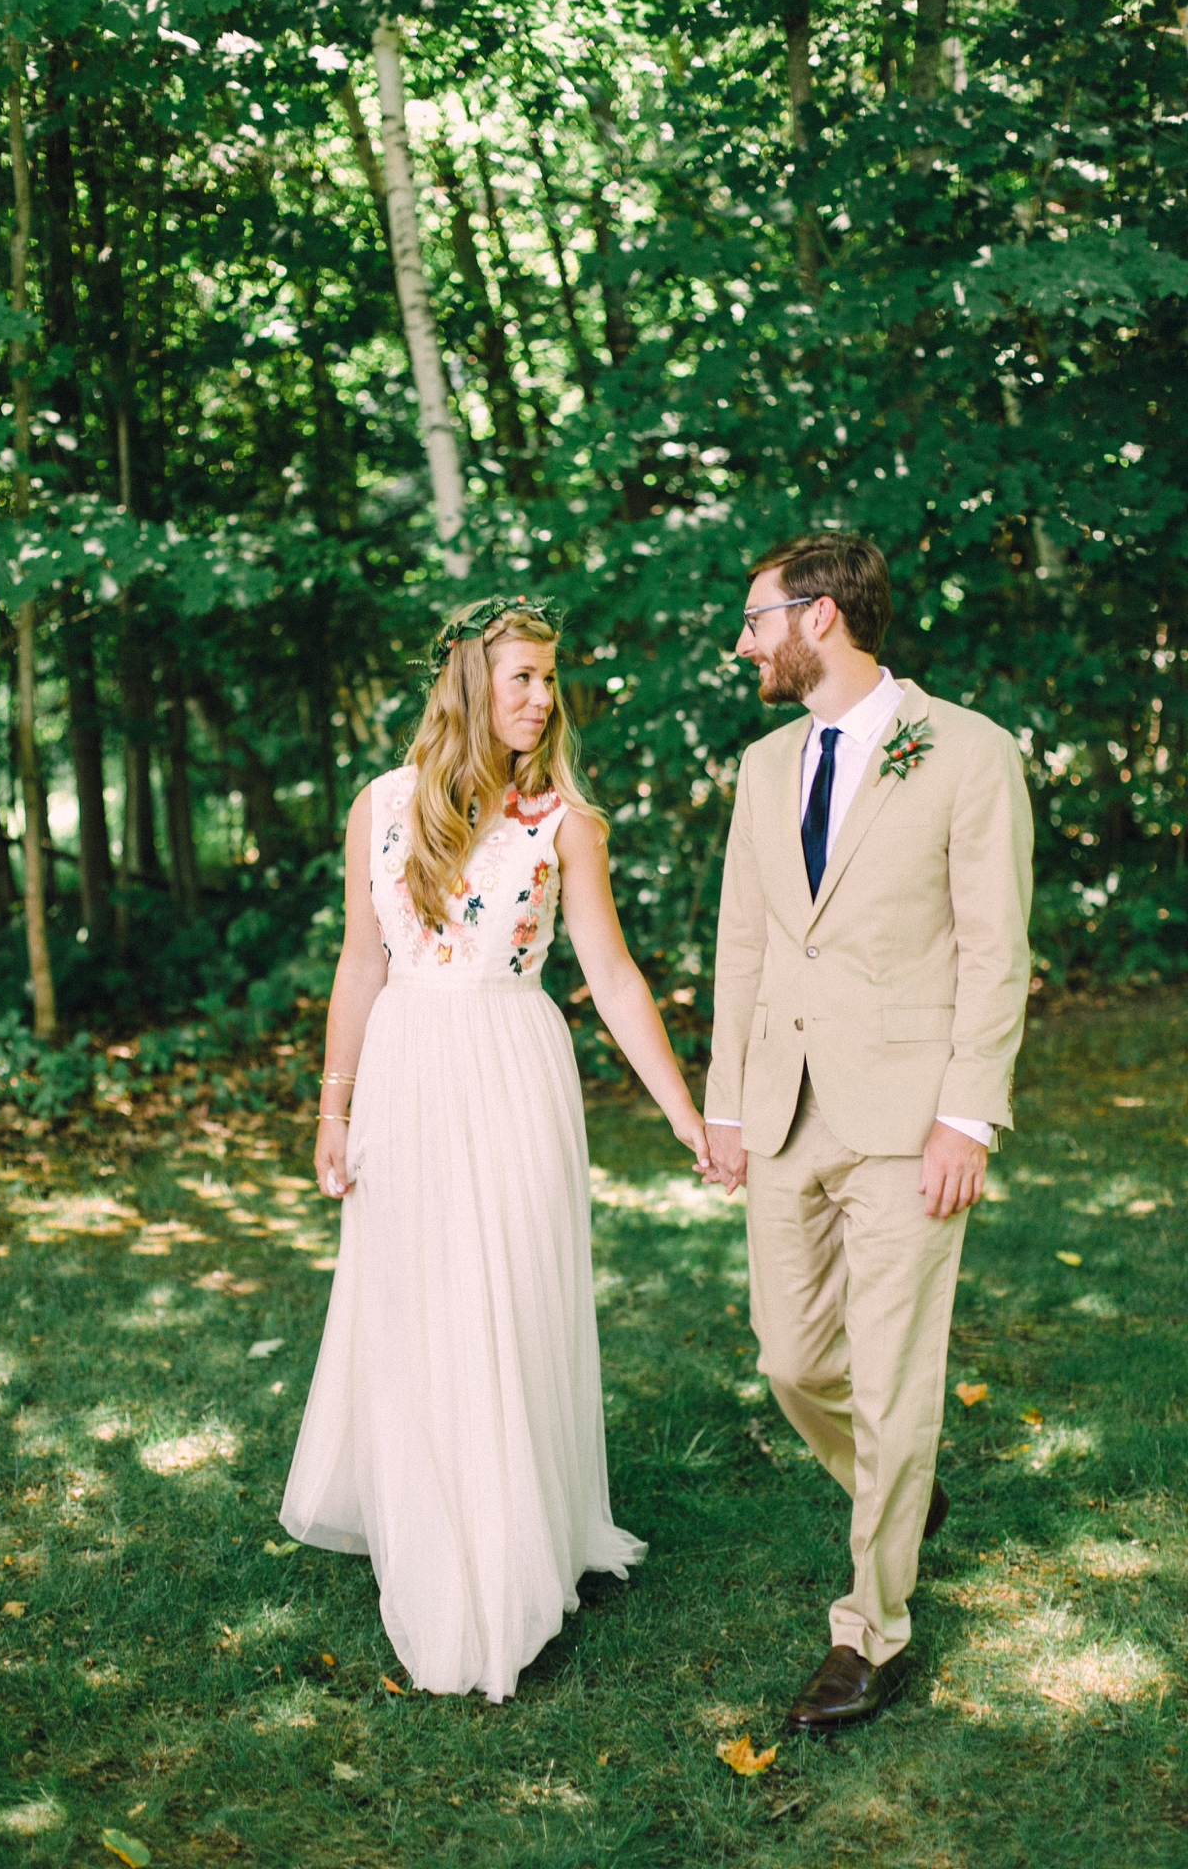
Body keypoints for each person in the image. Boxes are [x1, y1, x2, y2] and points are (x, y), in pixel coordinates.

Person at [280, 594, 710, 1703]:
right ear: (469, 683)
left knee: (507, 1295)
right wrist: (332, 1107)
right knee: (417, 1300)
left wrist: (679, 1109)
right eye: (521, 677)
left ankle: (522, 1534)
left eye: (548, 678)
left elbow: (609, 976)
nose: (541, 698)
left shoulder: (563, 820)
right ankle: (434, 1525)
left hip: (516, 1066)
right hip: (407, 1072)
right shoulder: (381, 805)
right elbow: (359, 967)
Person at [703, 533, 1032, 1731]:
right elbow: (744, 940)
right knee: (790, 1359)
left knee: (895, 1379)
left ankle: (871, 1632)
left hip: (907, 1120)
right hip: (782, 1109)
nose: (742, 643)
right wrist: (726, 1103)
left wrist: (965, 1117)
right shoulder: (758, 767)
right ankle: (897, 1486)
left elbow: (995, 948)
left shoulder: (967, 752)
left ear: (819, 618)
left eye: (753, 620)